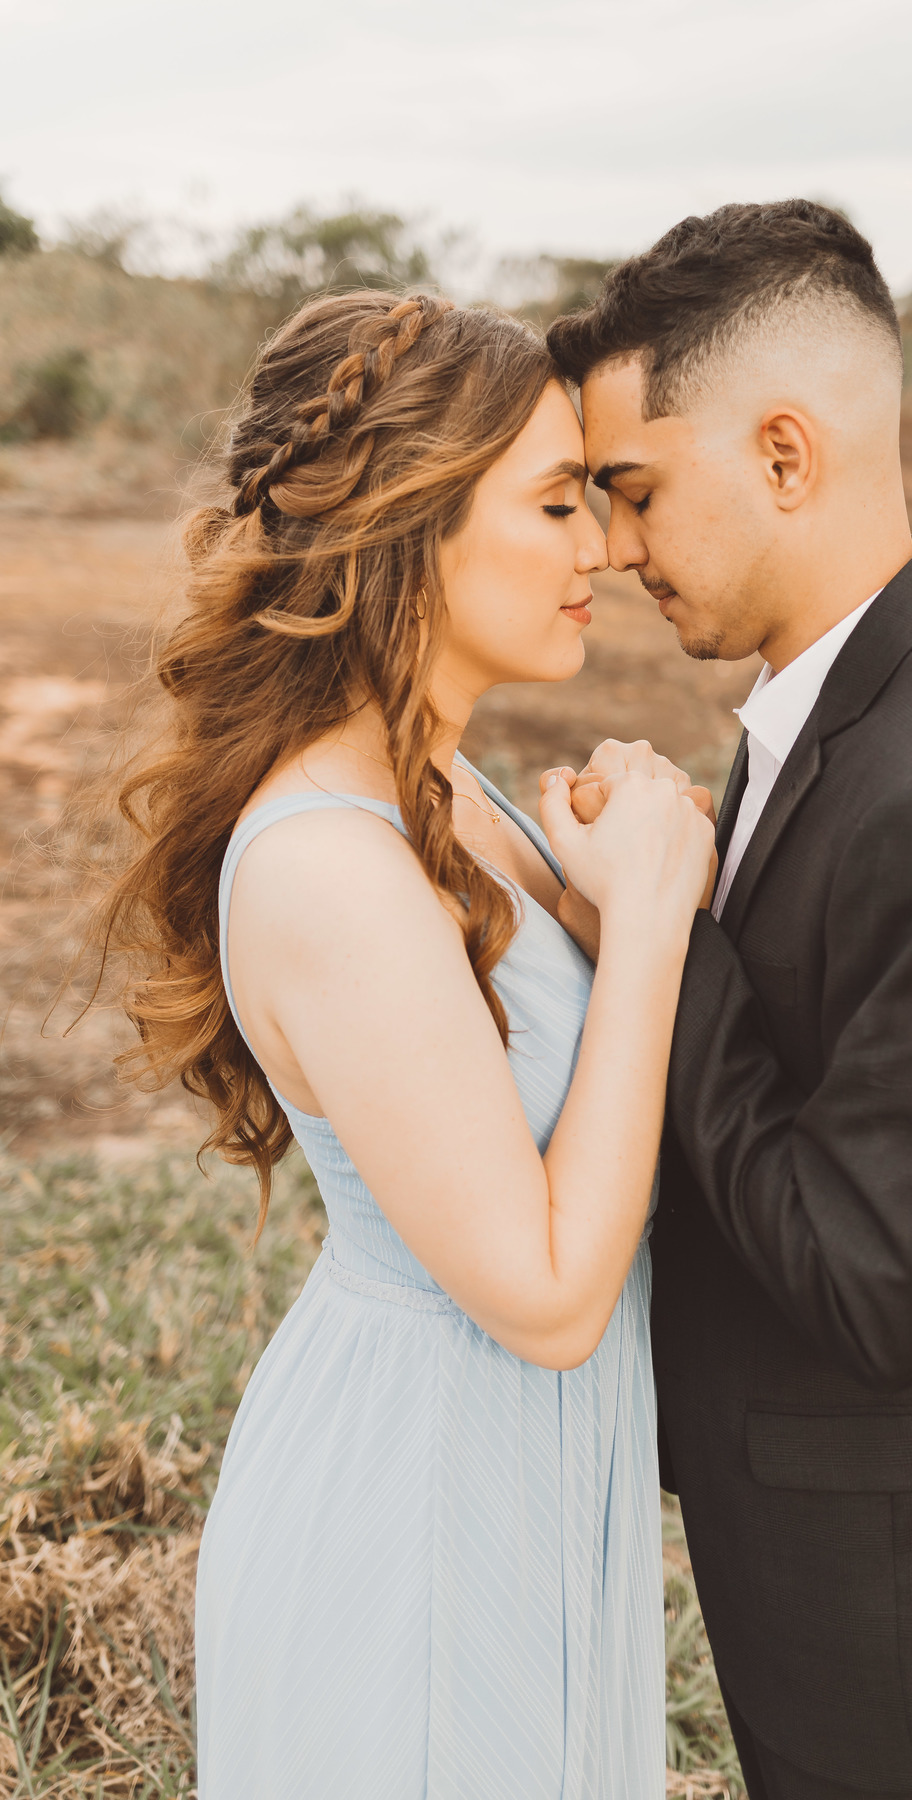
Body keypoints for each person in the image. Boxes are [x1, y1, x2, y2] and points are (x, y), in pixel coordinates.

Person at [89, 289, 715, 1799]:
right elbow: (552, 1297)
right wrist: (639, 917)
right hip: (417, 1524)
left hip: (522, 1482)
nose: (604, 548)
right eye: (557, 501)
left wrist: (617, 863)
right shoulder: (329, 866)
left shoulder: (457, 796)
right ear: (411, 522)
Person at [547, 201, 912, 1800]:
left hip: (900, 1606)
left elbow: (873, 1280)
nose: (615, 549)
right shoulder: (840, 701)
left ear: (785, 457)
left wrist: (669, 928)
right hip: (826, 1540)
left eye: (635, 490)